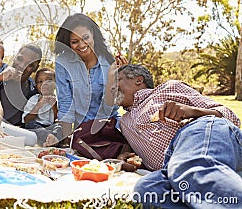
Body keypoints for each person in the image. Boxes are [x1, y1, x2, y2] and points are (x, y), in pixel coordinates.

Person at [110, 64, 241, 208]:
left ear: (138, 80)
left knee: (191, 168)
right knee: (147, 190)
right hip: (172, 166)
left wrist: (191, 111)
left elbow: (231, 117)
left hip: (198, 132)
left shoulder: (170, 87)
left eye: (117, 80)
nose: (112, 87)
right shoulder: (124, 122)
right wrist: (128, 159)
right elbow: (143, 154)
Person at [54, 13, 121, 145]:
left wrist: (117, 78)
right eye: (74, 41)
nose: (82, 45)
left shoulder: (109, 61)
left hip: (110, 127)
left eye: (85, 38)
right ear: (68, 43)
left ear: (93, 35)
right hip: (82, 131)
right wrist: (67, 141)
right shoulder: (62, 62)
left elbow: (112, 104)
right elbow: (66, 103)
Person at [22, 67, 63, 146]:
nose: (44, 83)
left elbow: (57, 119)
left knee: (59, 127)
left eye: (49, 80)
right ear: (37, 86)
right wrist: (39, 104)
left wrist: (54, 107)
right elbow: (26, 120)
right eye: (40, 81)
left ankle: (51, 140)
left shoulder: (58, 100)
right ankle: (49, 139)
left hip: (50, 127)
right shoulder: (34, 99)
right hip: (37, 127)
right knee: (30, 125)